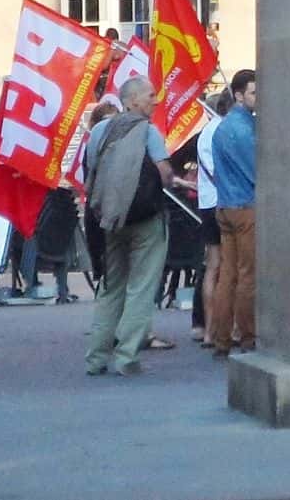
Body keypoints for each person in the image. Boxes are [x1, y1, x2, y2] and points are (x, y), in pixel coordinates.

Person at [82, 77, 175, 376]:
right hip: (145, 220)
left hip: (108, 218)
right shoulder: (148, 131)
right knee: (141, 286)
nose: (156, 100)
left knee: (111, 287)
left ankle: (96, 357)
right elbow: (164, 173)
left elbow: (91, 169)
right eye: (150, 95)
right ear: (133, 101)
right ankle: (126, 357)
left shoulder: (98, 130)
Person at [209, 68, 258, 360]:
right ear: (239, 95)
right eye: (253, 92)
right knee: (247, 275)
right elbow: (257, 170)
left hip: (225, 205)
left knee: (227, 275)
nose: (258, 97)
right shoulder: (244, 129)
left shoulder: (223, 127)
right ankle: (248, 336)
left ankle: (222, 337)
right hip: (245, 207)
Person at [191, 87, 231, 347]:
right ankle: (224, 328)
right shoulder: (223, 131)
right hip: (225, 200)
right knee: (229, 266)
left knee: (213, 265)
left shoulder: (206, 132)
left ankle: (208, 329)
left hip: (207, 201)